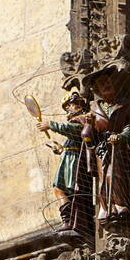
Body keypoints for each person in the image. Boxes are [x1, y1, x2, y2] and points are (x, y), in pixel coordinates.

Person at [81, 65, 130, 222]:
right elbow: (88, 138)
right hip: (102, 149)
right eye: (102, 83)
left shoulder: (124, 106)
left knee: (117, 175)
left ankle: (122, 204)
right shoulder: (93, 109)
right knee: (105, 178)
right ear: (97, 90)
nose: (106, 85)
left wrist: (122, 136)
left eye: (108, 81)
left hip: (120, 148)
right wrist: (88, 125)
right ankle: (109, 208)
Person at [36, 90, 94, 240]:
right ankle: (69, 220)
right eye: (67, 106)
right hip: (68, 159)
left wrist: (50, 125)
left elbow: (75, 132)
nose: (69, 108)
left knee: (65, 190)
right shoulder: (76, 119)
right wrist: (61, 149)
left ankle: (71, 221)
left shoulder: (82, 119)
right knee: (60, 190)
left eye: (71, 104)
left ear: (80, 104)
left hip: (74, 162)